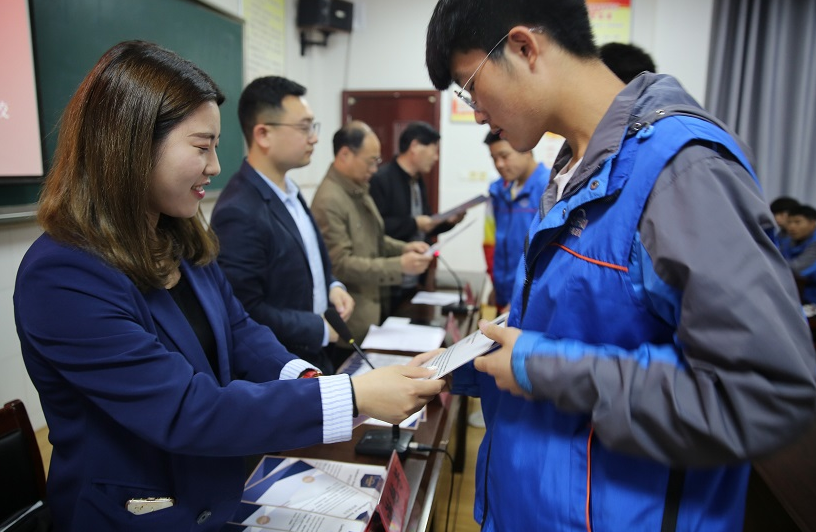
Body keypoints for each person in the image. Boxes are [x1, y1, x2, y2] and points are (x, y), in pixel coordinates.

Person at [13, 41, 444, 532]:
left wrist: (310, 381)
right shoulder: (63, 274)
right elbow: (184, 409)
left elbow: (240, 330)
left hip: (217, 491)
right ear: (131, 146)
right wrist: (351, 396)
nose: (216, 166)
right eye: (202, 147)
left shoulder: (175, 235)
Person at [423, 2, 816, 531]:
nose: (476, 113)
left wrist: (542, 365)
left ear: (523, 47)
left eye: (470, 87)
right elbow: (579, 331)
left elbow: (764, 395)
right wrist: (471, 362)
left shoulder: (683, 173)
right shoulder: (576, 167)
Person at [211, 76, 352, 374]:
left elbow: (309, 261)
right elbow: (244, 309)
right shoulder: (239, 209)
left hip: (314, 356)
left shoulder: (289, 190)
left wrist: (332, 286)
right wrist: (318, 328)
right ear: (263, 134)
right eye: (304, 128)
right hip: (278, 368)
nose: (314, 138)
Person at [311, 121, 433, 347]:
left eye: (377, 161)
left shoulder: (358, 188)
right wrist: (399, 265)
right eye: (370, 161)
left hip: (374, 311)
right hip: (352, 322)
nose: (375, 169)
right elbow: (340, 265)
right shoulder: (329, 200)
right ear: (345, 155)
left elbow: (373, 238)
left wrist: (404, 248)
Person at [369, 121, 463, 311]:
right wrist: (415, 223)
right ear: (415, 146)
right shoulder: (381, 179)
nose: (436, 157)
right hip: (391, 279)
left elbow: (425, 224)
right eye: (433, 150)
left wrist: (448, 222)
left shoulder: (418, 180)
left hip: (417, 277)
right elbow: (375, 229)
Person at [482, 131, 549, 311]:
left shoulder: (549, 189)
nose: (499, 165)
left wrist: (521, 300)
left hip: (531, 301)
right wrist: (496, 286)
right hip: (504, 294)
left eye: (504, 156)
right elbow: (494, 243)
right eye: (494, 158)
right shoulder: (500, 191)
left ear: (526, 150)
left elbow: (551, 256)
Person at [783, 204, 816, 303]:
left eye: (798, 222)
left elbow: (797, 268)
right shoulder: (787, 241)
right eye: (789, 222)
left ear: (813, 223)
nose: (792, 227)